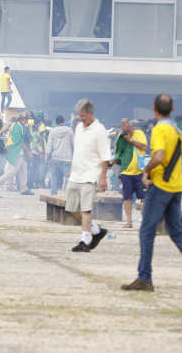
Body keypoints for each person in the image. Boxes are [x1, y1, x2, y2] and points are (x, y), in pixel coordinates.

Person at [122, 94, 182, 293]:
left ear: (154, 108)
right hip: (176, 185)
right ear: (172, 109)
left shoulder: (160, 128)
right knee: (177, 233)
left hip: (160, 185)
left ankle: (144, 277)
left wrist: (146, 171)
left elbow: (160, 156)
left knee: (146, 231)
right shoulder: (178, 129)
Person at [66, 99, 110, 252]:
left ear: (91, 114)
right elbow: (78, 150)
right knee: (71, 207)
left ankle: (84, 241)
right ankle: (97, 231)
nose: (81, 119)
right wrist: (72, 168)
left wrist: (103, 178)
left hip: (91, 175)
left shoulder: (100, 130)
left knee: (86, 209)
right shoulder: (78, 127)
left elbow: (105, 157)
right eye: (79, 116)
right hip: (76, 174)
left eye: (83, 116)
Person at [115, 119, 148, 228]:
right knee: (127, 197)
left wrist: (131, 140)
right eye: (122, 125)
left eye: (125, 124)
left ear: (131, 126)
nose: (124, 127)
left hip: (139, 171)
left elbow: (144, 147)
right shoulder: (122, 136)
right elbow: (118, 151)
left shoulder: (139, 134)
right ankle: (129, 222)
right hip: (126, 171)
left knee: (143, 197)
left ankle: (145, 220)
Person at [0, 112, 32, 195]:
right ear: (21, 119)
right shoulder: (17, 127)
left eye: (27, 119)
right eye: (25, 119)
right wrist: (29, 152)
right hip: (16, 151)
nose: (26, 120)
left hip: (18, 151)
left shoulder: (19, 126)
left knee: (24, 170)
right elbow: (20, 142)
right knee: (13, 171)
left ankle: (24, 188)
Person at [45, 115, 73, 196]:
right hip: (67, 158)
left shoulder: (52, 131)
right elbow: (73, 144)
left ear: (56, 123)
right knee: (68, 177)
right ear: (64, 122)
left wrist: (47, 157)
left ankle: (53, 193)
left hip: (55, 158)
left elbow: (49, 146)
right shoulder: (69, 131)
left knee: (54, 176)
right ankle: (68, 195)